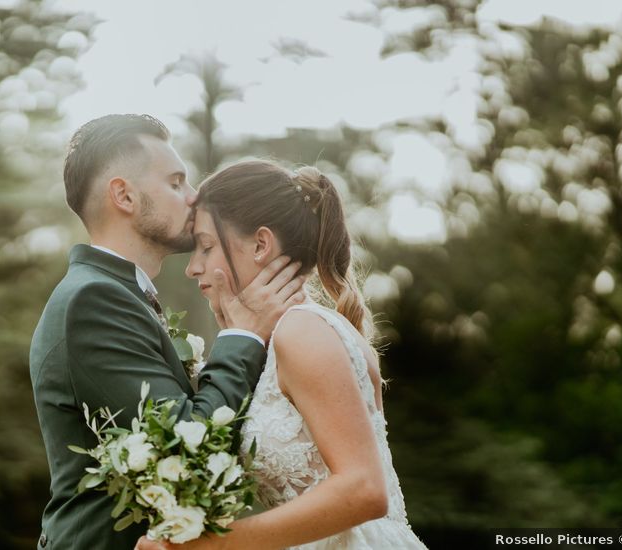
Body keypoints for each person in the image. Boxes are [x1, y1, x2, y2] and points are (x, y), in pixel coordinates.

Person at [29, 116, 306, 550]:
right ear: (124, 195)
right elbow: (183, 445)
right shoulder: (94, 300)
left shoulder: (115, 294)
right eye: (177, 182)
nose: (195, 198)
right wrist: (244, 335)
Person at [137, 160, 426, 549]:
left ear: (260, 244)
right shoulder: (282, 337)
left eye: (205, 246)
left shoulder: (302, 330)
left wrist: (210, 546)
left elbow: (364, 489)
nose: (193, 267)